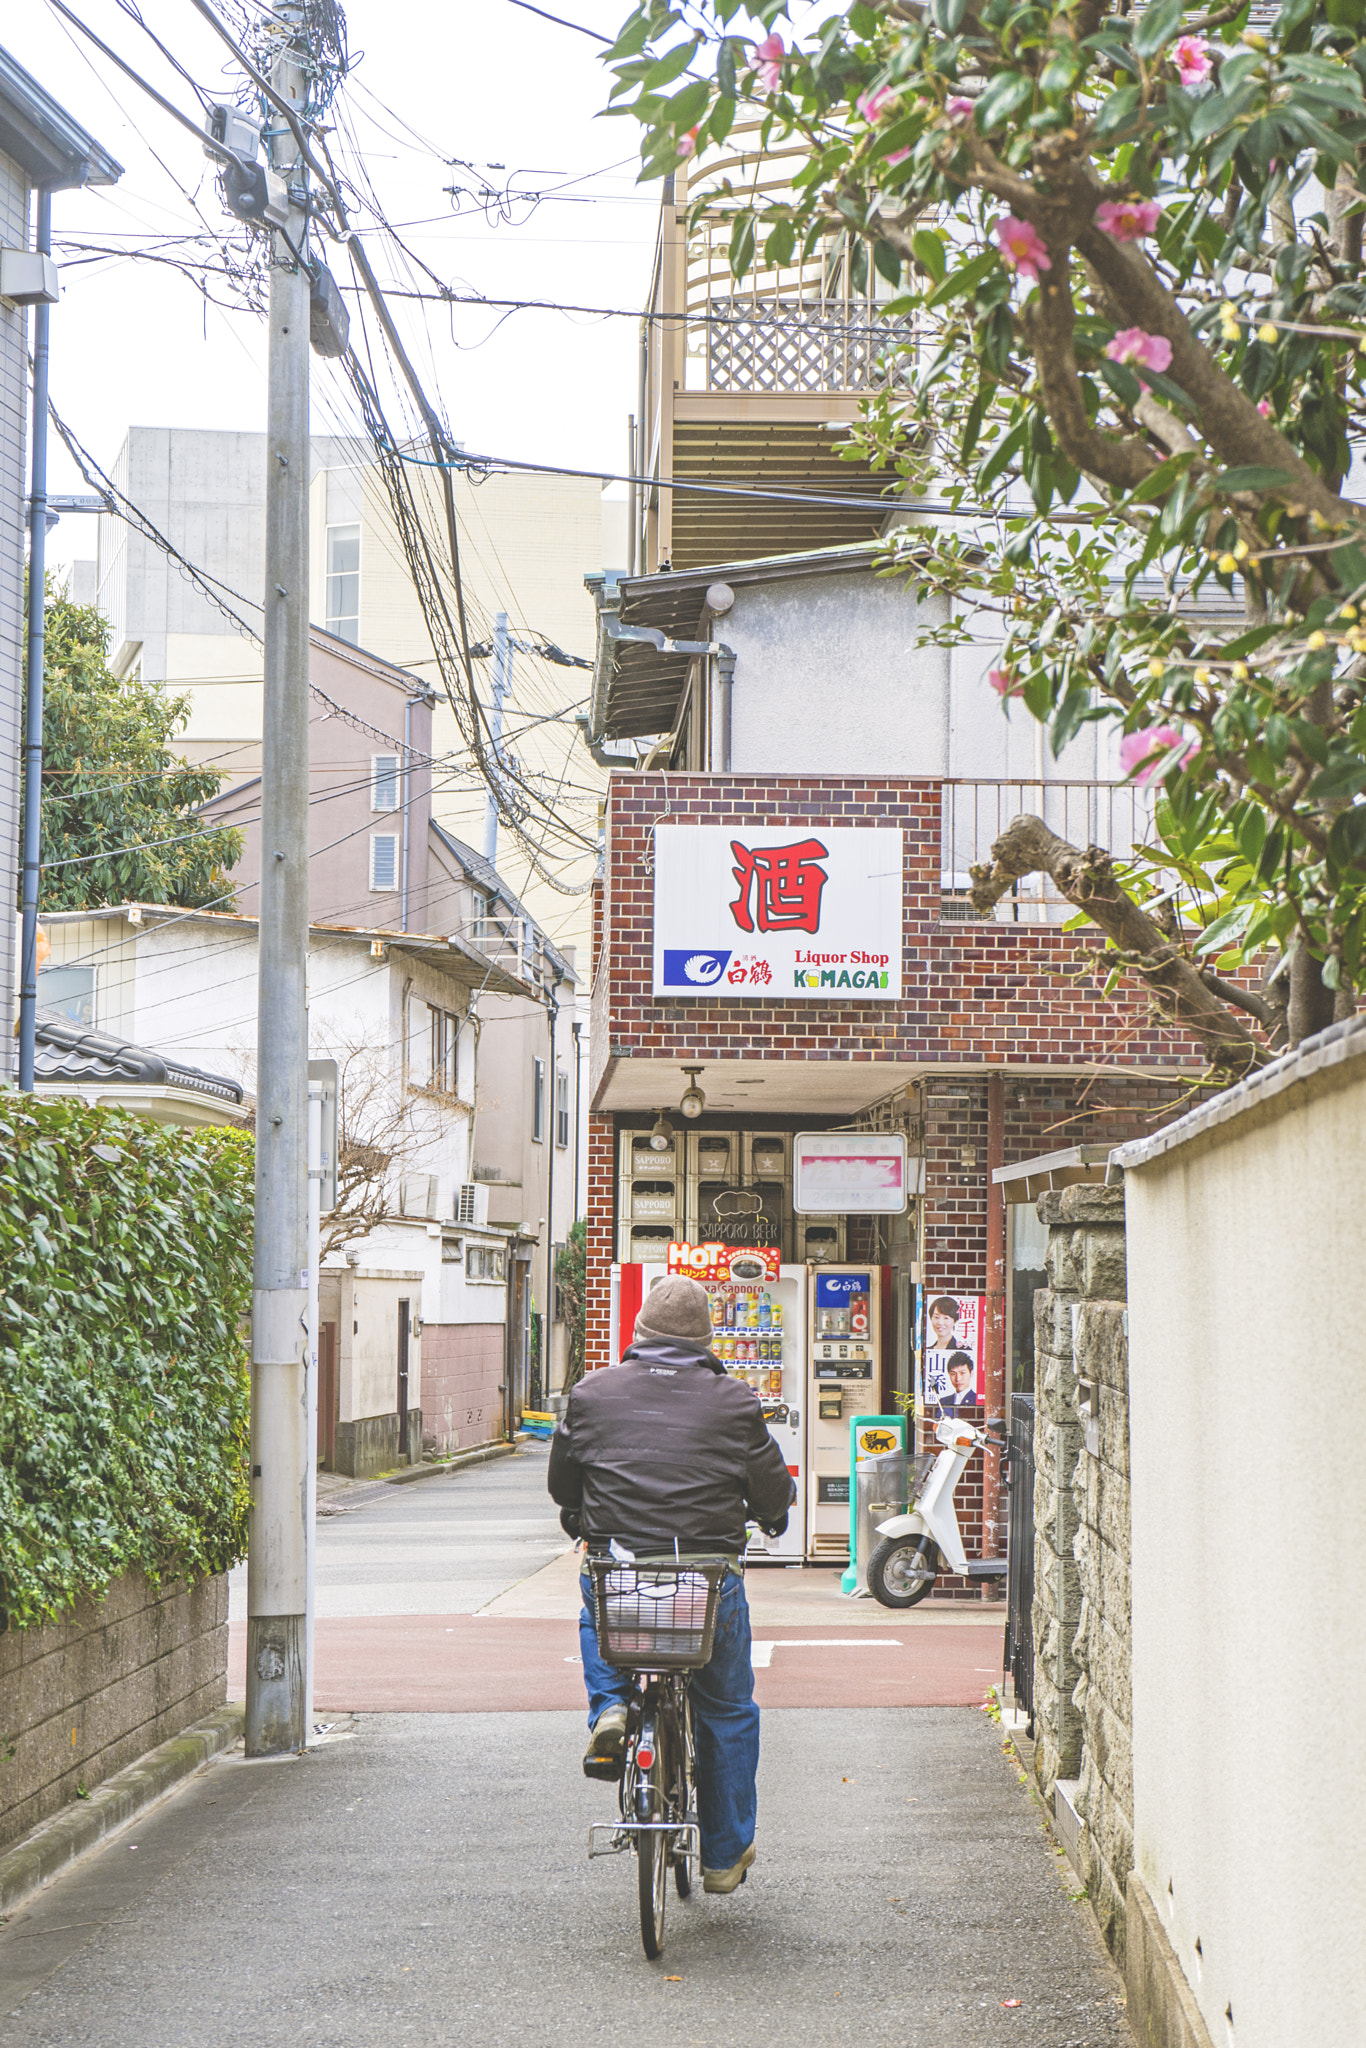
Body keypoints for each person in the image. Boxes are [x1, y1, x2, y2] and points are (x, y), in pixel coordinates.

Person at [547, 1275, 794, 1895]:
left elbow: (562, 1484)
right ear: (707, 1339)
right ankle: (724, 1855)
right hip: (705, 1583)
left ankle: (609, 1705)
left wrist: (584, 1519)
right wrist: (773, 1513)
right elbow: (770, 1487)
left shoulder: (591, 1393)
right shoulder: (735, 1400)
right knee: (729, 1708)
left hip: (621, 1574)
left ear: (638, 1332)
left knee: (593, 1602)